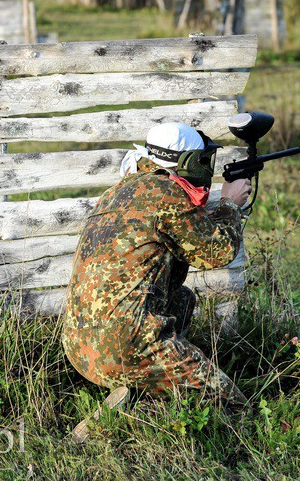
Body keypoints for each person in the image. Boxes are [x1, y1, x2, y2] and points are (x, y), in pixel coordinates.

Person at [62, 123, 251, 430]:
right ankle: (147, 387)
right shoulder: (166, 195)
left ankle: (138, 394)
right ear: (188, 162)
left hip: (78, 349)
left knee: (181, 299)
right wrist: (230, 203)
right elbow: (217, 252)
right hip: (124, 344)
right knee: (234, 407)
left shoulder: (117, 192)